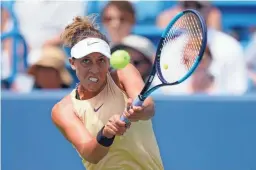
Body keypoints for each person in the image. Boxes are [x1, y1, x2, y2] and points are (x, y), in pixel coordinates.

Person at [51, 16, 164, 170]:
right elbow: (91, 154)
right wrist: (106, 133)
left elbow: (148, 106)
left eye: (101, 60)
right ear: (72, 62)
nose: (95, 69)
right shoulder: (64, 109)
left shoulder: (123, 72)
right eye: (86, 61)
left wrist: (139, 111)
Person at [157, 1, 222, 31]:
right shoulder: (165, 17)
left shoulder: (214, 14)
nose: (192, 13)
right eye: (187, 5)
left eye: (198, 6)